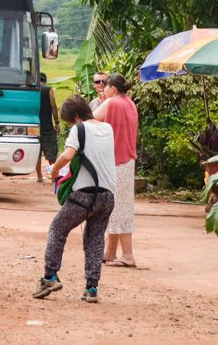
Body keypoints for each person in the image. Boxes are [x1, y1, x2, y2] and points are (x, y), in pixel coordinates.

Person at [33, 95, 116, 304]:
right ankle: (92, 287)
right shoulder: (107, 129)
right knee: (95, 239)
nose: (71, 125)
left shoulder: (79, 130)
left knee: (57, 229)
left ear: (76, 117)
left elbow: (68, 155)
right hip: (107, 196)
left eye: (70, 121)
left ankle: (50, 276)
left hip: (84, 195)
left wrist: (54, 171)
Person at [94, 73, 139, 268]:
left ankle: (128, 255)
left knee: (119, 208)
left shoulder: (112, 103)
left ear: (112, 89)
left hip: (115, 161)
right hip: (128, 161)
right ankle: (110, 251)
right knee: (116, 205)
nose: (102, 89)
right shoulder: (130, 103)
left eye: (105, 86)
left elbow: (92, 118)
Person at [36, 72, 60, 182]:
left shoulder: (32, 89)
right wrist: (57, 122)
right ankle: (53, 176)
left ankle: (39, 176)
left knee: (37, 152)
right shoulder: (48, 89)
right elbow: (54, 106)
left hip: (34, 125)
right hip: (47, 126)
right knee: (51, 151)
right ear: (45, 80)